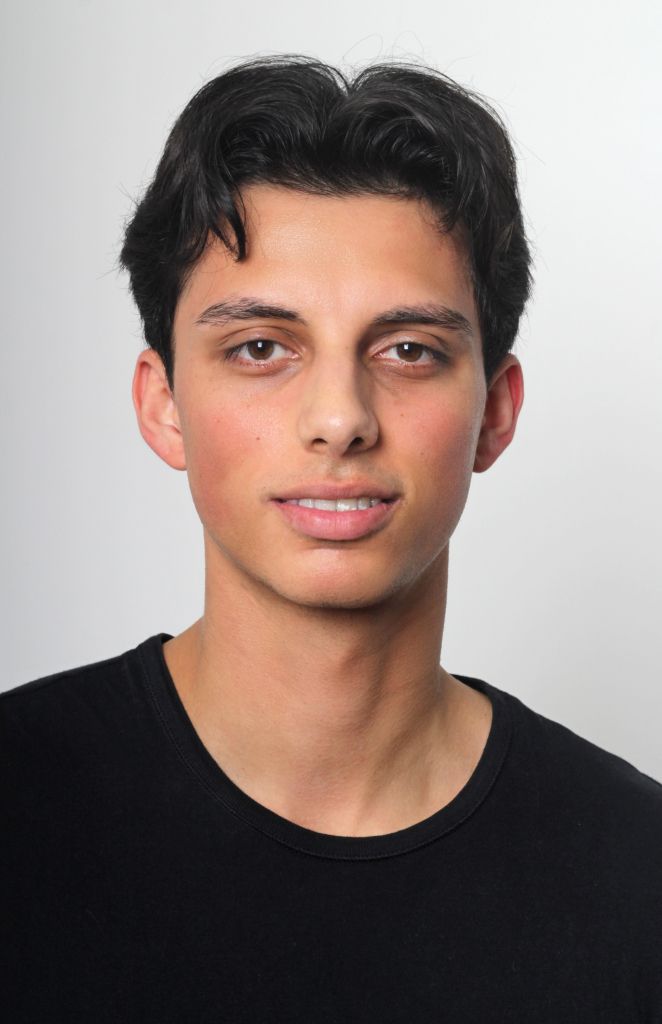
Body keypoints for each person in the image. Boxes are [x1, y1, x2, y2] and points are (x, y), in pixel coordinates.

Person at [2, 55, 661, 1023]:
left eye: (409, 350)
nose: (339, 418)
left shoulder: (636, 873)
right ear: (163, 403)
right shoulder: (18, 803)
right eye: (261, 347)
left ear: (494, 411)